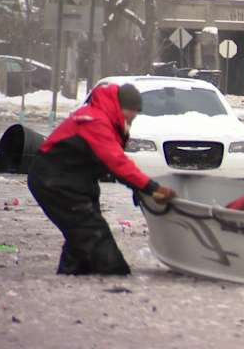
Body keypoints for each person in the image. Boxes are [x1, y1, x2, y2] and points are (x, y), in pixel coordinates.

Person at [27, 83, 177, 275]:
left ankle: (73, 273)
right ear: (121, 107)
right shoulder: (95, 121)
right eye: (133, 112)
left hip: (73, 183)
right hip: (55, 183)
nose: (134, 117)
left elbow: (112, 166)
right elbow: (117, 162)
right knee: (92, 232)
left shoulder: (105, 119)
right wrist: (151, 188)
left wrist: (138, 188)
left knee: (82, 232)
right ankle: (113, 272)